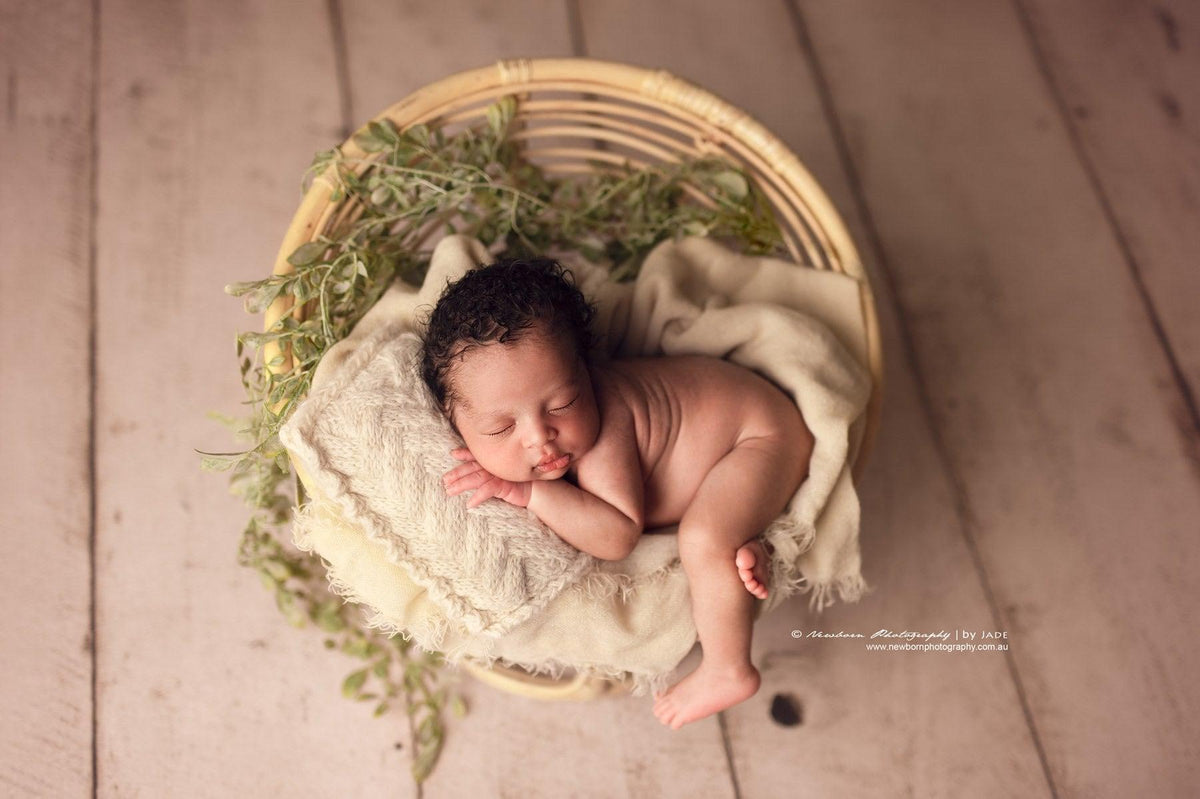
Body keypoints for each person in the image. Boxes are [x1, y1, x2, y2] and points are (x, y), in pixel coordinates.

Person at [421, 257, 814, 729]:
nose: (541, 437)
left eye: (563, 403)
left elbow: (617, 535)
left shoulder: (605, 427)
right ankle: (746, 543)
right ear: (452, 422)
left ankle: (728, 668)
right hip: (718, 469)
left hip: (758, 438)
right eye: (501, 427)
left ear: (587, 370)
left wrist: (529, 494)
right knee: (715, 537)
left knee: (704, 540)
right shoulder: (534, 426)